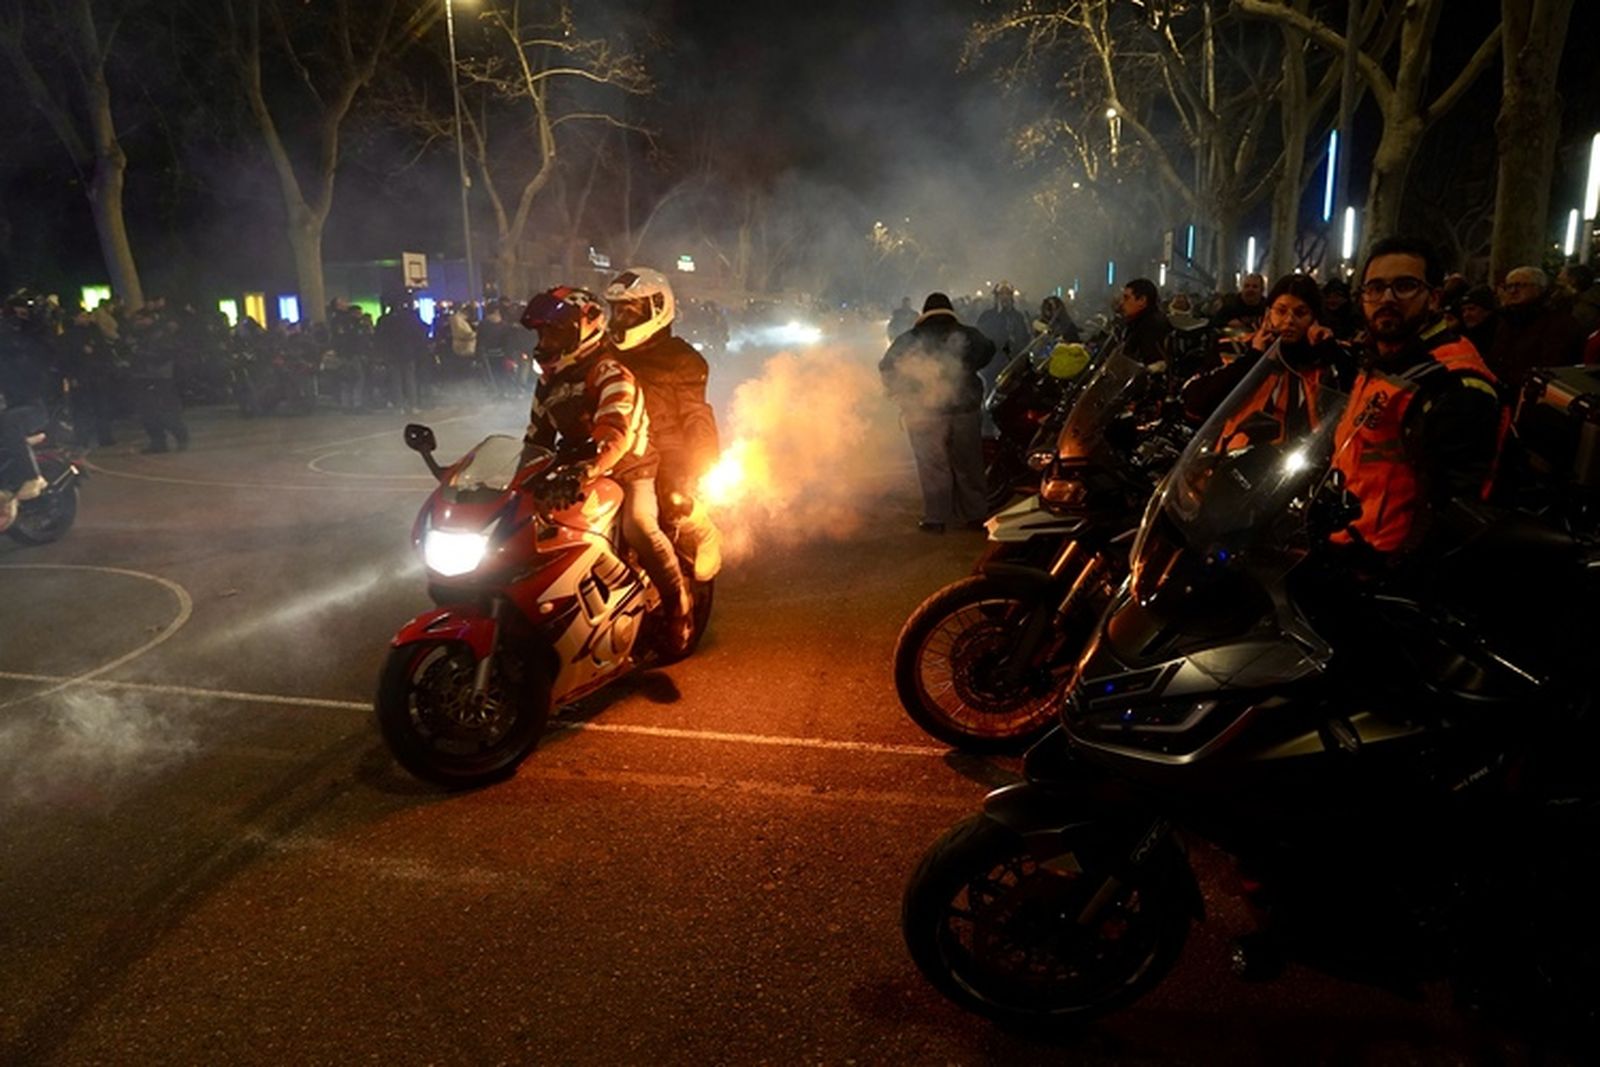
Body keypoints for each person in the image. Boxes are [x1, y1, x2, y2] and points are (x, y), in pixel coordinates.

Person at [518, 286, 695, 653]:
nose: (545, 342)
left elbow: (614, 435)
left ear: (583, 331)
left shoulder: (611, 372)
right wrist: (516, 481)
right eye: (542, 335)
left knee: (639, 526)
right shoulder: (548, 381)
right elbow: (536, 438)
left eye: (554, 334)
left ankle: (679, 606)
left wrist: (585, 472)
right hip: (577, 468)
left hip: (630, 467)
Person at [1327, 236, 1504, 559]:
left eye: (1405, 286)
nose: (1387, 298)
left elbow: (1450, 510)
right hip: (1347, 536)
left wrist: (1399, 569)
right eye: (1375, 288)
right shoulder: (1384, 360)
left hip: (1385, 562)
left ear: (1434, 298)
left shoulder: (1452, 383)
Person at [604, 267, 723, 581]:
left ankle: (702, 530)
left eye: (629, 312)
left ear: (657, 309)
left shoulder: (683, 359)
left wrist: (700, 463)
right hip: (616, 442)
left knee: (672, 499)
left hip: (666, 448)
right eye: (616, 311)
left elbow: (696, 415)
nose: (620, 320)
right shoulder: (605, 353)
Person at [879, 291, 995, 533]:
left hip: (925, 412)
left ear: (924, 312)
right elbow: (988, 349)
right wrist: (967, 365)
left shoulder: (910, 339)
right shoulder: (967, 334)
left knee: (933, 465)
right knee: (969, 464)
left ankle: (936, 518)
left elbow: (887, 367)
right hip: (965, 409)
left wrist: (902, 391)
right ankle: (975, 516)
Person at [1182, 273, 1349, 426]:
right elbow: (1194, 402)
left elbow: (1352, 400)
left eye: (1300, 313)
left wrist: (1331, 351)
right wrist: (1253, 358)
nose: (1289, 320)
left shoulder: (1325, 357)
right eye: (1281, 311)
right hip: (1238, 446)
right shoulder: (1233, 349)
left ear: (1314, 318)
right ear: (1268, 313)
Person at [1484, 266, 1586, 391]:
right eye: (1509, 286)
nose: (1513, 291)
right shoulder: (1508, 318)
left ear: (1539, 288)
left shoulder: (1559, 323)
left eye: (1520, 285)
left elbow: (1553, 365)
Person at [1110, 277, 1172, 368]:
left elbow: (1148, 364)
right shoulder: (1135, 323)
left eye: (1127, 298)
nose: (1122, 303)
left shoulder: (1152, 326)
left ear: (1142, 300)